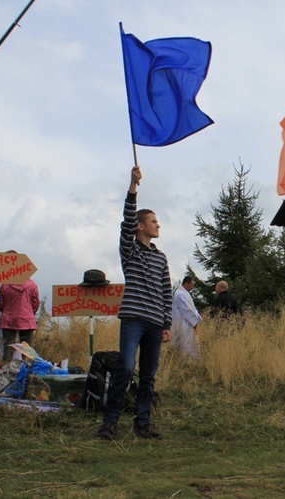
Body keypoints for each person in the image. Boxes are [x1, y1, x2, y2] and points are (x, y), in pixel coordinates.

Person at [98, 166, 172, 440]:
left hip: (155, 323)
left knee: (149, 376)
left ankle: (142, 424)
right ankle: (110, 422)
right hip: (133, 319)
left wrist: (167, 324)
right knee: (126, 368)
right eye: (153, 221)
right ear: (141, 227)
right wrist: (133, 186)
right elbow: (127, 220)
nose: (158, 225)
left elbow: (167, 291)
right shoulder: (130, 251)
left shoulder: (160, 257)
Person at [0, 260, 40, 364]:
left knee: (8, 348)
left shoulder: (5, 285)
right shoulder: (32, 285)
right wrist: (30, 313)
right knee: (27, 349)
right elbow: (35, 304)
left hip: (8, 319)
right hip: (27, 319)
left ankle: (5, 371)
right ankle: (27, 372)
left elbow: (1, 304)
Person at [171, 276, 202, 359]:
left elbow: (192, 308)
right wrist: (195, 321)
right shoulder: (180, 294)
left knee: (190, 343)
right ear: (186, 283)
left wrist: (197, 317)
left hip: (187, 323)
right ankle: (186, 361)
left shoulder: (185, 293)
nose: (193, 287)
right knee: (185, 344)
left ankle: (191, 360)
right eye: (192, 285)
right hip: (183, 323)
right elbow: (186, 309)